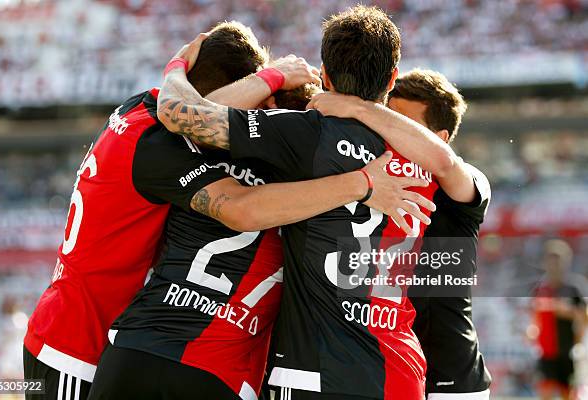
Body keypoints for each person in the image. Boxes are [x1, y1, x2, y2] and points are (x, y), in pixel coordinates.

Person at [24, 21, 432, 400]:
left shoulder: (138, 113)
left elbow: (190, 118)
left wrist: (179, 68)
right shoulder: (177, 148)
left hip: (114, 338)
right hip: (84, 342)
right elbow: (239, 205)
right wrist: (361, 183)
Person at [156, 6, 461, 399]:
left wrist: (180, 67)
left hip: (313, 373)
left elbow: (189, 119)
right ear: (392, 79)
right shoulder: (426, 157)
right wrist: (364, 109)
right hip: (400, 374)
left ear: (325, 74)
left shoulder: (307, 133)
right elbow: (448, 163)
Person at [309, 69, 492, 399]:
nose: (388, 131)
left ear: (442, 137)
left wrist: (361, 109)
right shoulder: (370, 173)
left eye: (400, 123)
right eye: (385, 116)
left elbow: (448, 168)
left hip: (450, 376)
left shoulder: (466, 181)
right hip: (386, 366)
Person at [531, 239, 586, 400]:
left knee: (569, 395)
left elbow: (583, 317)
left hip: (567, 352)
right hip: (546, 353)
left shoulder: (574, 287)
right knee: (545, 393)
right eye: (551, 261)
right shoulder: (540, 288)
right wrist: (532, 332)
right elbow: (536, 318)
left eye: (558, 261)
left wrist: (567, 312)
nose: (554, 265)